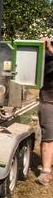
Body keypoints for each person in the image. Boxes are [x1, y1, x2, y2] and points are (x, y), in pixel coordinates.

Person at [37, 36, 53, 185]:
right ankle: (46, 172)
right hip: (48, 99)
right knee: (48, 135)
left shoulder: (50, 49)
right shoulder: (46, 51)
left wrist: (50, 49)